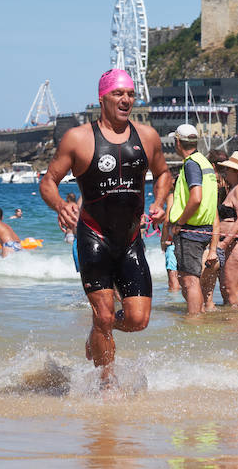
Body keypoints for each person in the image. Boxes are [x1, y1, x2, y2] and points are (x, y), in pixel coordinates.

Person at [39, 68, 170, 385]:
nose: (126, 99)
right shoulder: (79, 138)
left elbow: (163, 173)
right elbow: (48, 182)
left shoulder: (147, 136)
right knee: (105, 313)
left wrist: (159, 202)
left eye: (130, 94)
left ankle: (99, 329)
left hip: (130, 240)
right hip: (93, 237)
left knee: (138, 320)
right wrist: (60, 205)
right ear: (103, 98)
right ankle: (106, 382)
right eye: (118, 94)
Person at [166, 124, 220, 315]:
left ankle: (194, 321)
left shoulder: (191, 164)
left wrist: (180, 223)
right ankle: (199, 315)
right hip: (204, 228)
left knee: (190, 280)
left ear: (178, 142)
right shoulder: (205, 163)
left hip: (191, 229)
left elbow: (196, 198)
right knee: (191, 279)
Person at [209, 151, 238, 308]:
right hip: (233, 241)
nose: (225, 172)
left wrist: (224, 243)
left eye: (228, 169)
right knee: (225, 288)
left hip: (236, 242)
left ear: (236, 172)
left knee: (231, 289)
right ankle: (231, 326)